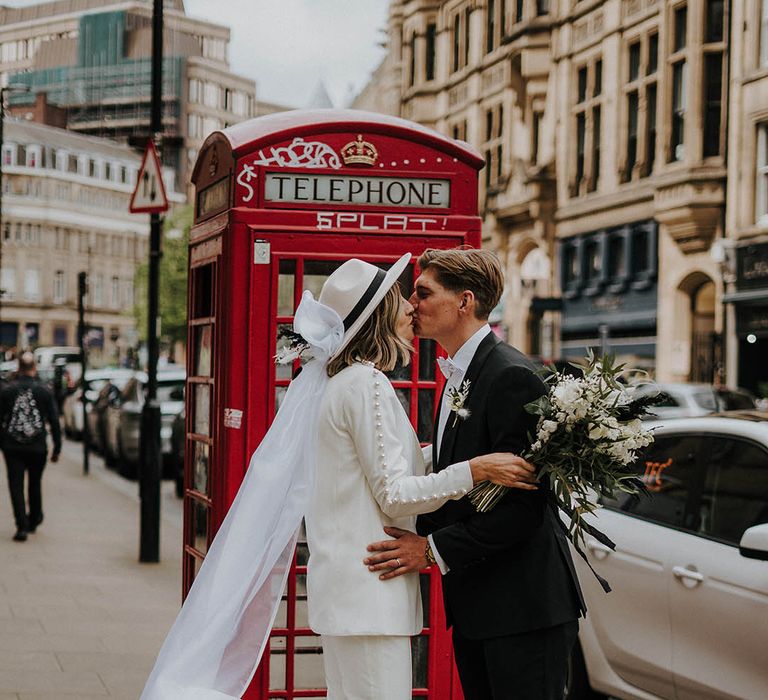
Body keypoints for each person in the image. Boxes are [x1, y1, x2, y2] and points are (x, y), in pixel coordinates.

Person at [140, 254, 537, 700]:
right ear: (379, 317)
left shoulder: (336, 382)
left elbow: (371, 470)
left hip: (346, 594)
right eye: (402, 299)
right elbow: (395, 494)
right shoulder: (366, 384)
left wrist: (442, 456)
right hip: (371, 594)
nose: (410, 306)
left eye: (419, 294)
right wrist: (476, 468)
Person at [364, 248, 586, 700]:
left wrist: (430, 549)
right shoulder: (460, 373)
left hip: (523, 607)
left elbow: (525, 507)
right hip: (479, 602)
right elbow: (458, 479)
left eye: (424, 293)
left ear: (464, 302)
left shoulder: (510, 375)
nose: (411, 304)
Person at [0, 352, 61, 542]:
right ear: (34, 369)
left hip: (12, 446)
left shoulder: (7, 391)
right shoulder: (44, 391)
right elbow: (54, 420)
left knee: (16, 485)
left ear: (18, 369)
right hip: (37, 446)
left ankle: (22, 525)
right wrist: (57, 447)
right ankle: (34, 517)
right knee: (35, 483)